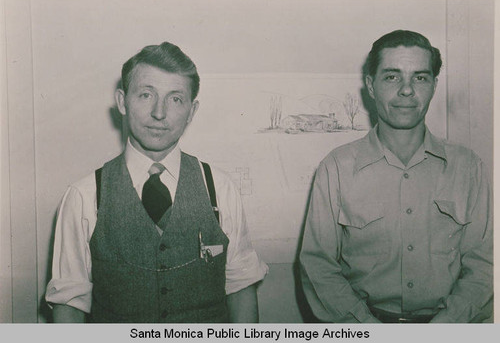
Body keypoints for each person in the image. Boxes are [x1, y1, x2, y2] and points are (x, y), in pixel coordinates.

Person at [45, 42, 268, 323]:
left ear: (191, 111)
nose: (159, 113)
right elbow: (69, 304)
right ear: (122, 101)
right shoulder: (83, 196)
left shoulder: (220, 189)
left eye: (175, 99)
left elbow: (241, 288)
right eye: (146, 95)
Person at [299, 30, 492, 323]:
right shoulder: (336, 168)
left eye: (420, 77)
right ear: (371, 86)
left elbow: (486, 265)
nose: (406, 90)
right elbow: (318, 267)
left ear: (433, 86)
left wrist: (446, 329)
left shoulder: (469, 167)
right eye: (392, 76)